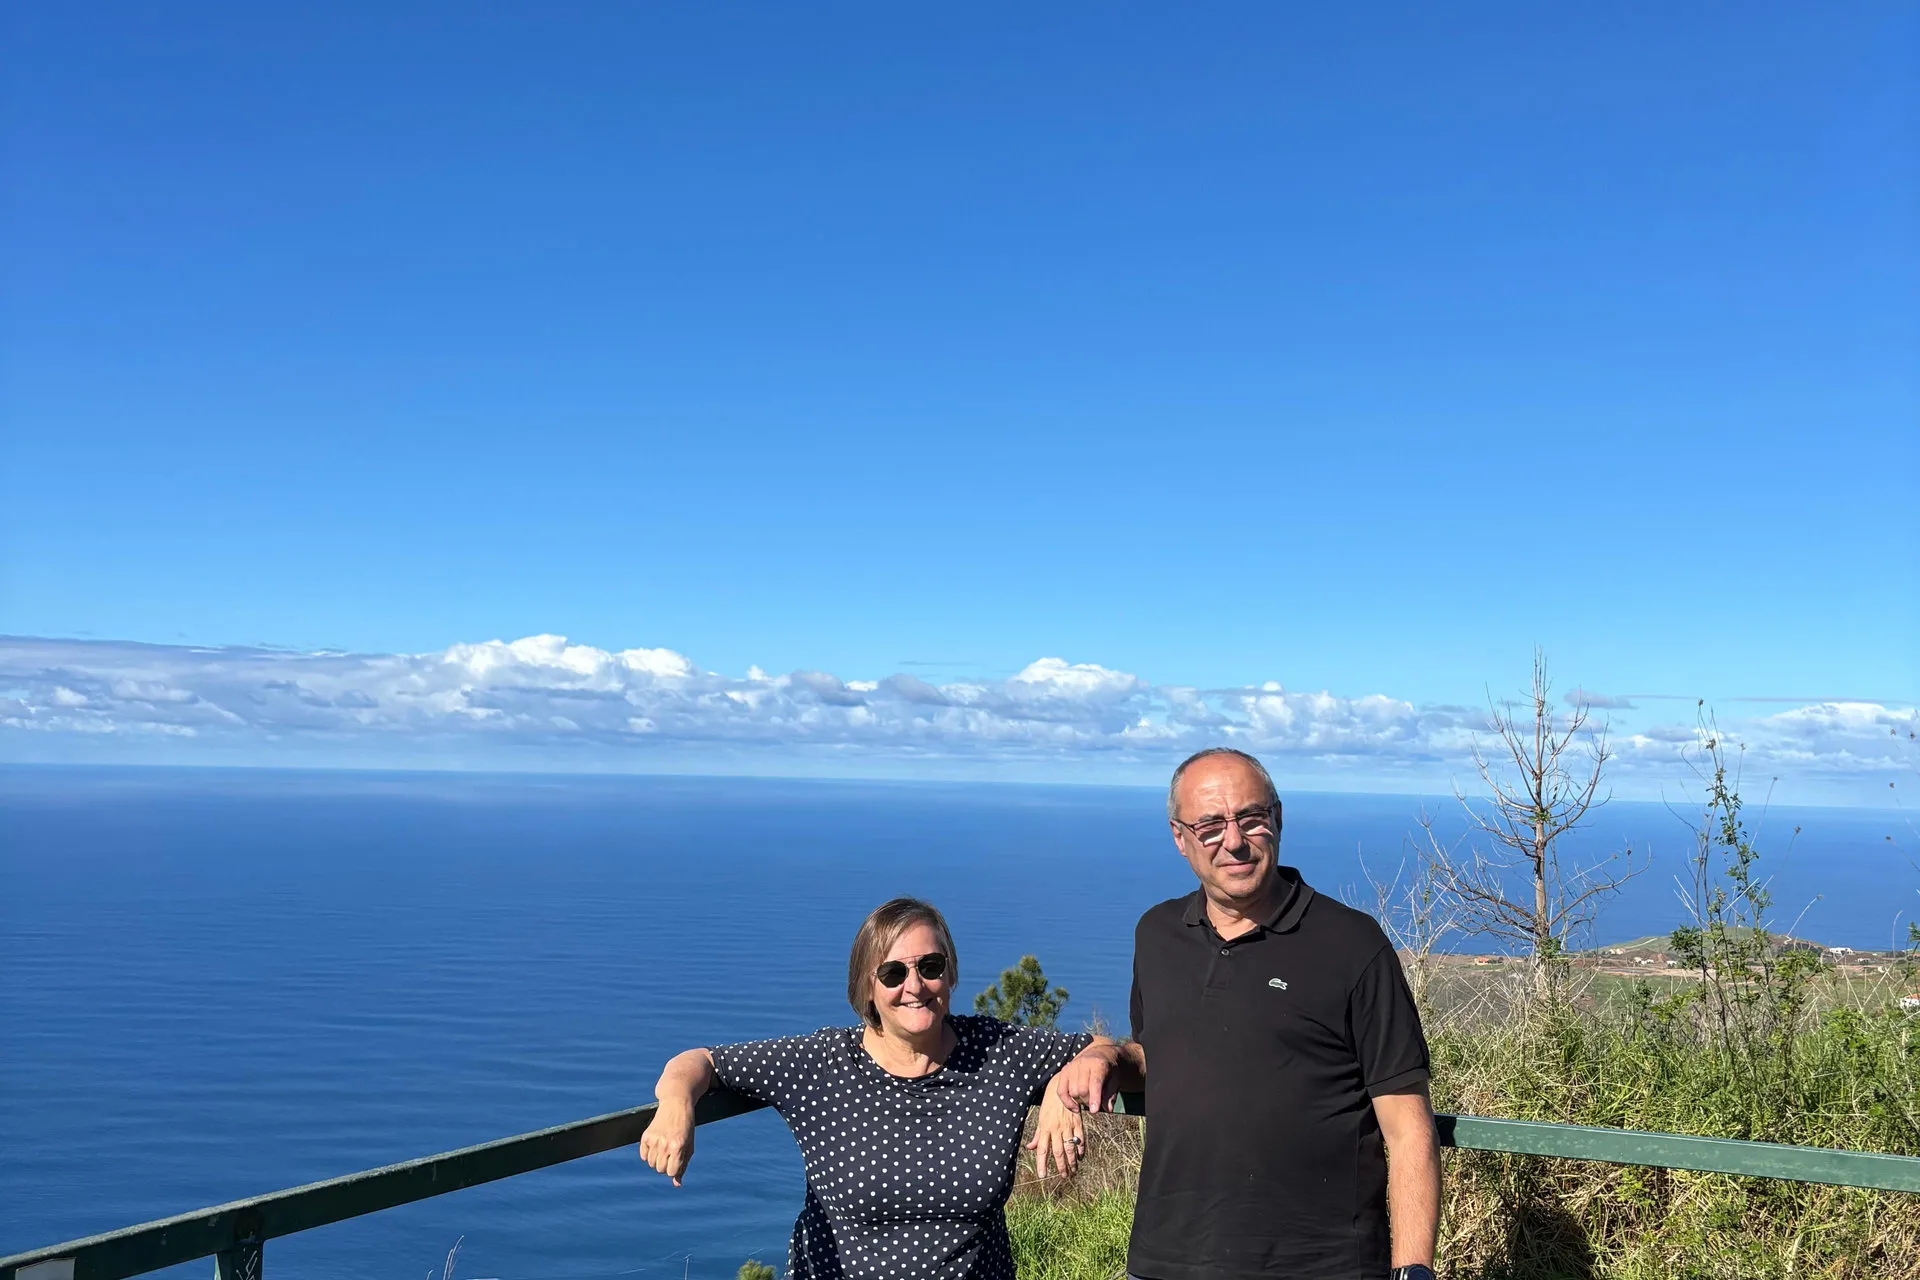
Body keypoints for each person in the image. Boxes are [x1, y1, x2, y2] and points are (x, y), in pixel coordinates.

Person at [1042, 747, 1442, 1280]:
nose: (1233, 841)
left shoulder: (1351, 944)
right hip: (1167, 1261)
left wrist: (1413, 1271)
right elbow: (1164, 1054)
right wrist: (1105, 1055)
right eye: (1209, 825)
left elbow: (1408, 1127)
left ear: (1277, 820)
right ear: (1179, 838)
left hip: (1322, 1267)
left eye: (1250, 818)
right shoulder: (1157, 935)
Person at [639, 896, 1103, 1279]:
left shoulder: (998, 1050)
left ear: (952, 973)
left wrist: (1063, 1085)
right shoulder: (821, 1066)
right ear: (867, 989)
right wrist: (677, 1104)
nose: (915, 986)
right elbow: (699, 1062)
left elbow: (1114, 1053)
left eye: (931, 965)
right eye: (893, 973)